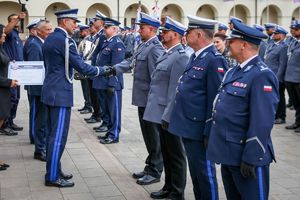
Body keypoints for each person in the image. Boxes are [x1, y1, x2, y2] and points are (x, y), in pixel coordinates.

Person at [207, 19, 279, 200]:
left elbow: (262, 121)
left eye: (232, 41)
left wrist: (251, 157)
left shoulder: (262, 75)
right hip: (228, 152)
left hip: (246, 157)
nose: (228, 44)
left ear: (244, 45)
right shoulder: (234, 71)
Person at [41, 8, 112, 187]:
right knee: (58, 137)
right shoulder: (66, 41)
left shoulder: (50, 38)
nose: (76, 25)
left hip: (50, 90)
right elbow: (83, 68)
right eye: (74, 22)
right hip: (60, 93)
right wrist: (104, 70)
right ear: (65, 22)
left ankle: (55, 170)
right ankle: (52, 176)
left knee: (52, 134)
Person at [168, 15, 228, 200]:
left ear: (199, 34)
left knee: (205, 174)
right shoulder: (196, 56)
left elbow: (216, 100)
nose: (185, 35)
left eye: (188, 32)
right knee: (195, 174)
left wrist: (209, 132)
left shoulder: (214, 60)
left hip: (200, 129)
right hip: (189, 126)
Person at [113, 12, 165, 185]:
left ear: (152, 29)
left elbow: (156, 79)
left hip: (150, 102)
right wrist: (111, 69)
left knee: (154, 137)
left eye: (142, 28)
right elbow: (130, 63)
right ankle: (150, 165)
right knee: (147, 136)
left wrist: (153, 103)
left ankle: (156, 170)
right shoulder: (143, 45)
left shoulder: (155, 48)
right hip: (142, 100)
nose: (139, 30)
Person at [143, 16, 189, 200]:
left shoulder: (181, 56)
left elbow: (174, 91)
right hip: (160, 113)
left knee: (176, 155)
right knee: (167, 154)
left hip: (169, 115)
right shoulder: (167, 52)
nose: (162, 34)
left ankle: (177, 193)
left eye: (165, 32)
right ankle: (168, 187)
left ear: (175, 35)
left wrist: (168, 116)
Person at [23, 19, 53, 161]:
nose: (50, 32)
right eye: (47, 30)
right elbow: (35, 68)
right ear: (37, 31)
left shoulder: (39, 43)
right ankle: (38, 148)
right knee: (39, 119)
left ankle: (39, 145)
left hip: (39, 87)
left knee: (41, 118)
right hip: (37, 88)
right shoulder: (35, 45)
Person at [94, 17, 125, 144]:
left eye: (107, 27)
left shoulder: (117, 43)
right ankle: (109, 132)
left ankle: (114, 135)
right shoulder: (108, 42)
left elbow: (116, 67)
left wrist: (112, 84)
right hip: (104, 83)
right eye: (105, 27)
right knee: (107, 109)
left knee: (114, 111)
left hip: (112, 84)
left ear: (114, 29)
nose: (104, 29)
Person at [2, 12, 26, 134]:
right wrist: (17, 19)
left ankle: (11, 121)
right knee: (11, 98)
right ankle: (4, 124)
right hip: (10, 71)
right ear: (10, 21)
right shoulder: (9, 32)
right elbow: (6, 30)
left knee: (16, 98)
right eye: (14, 20)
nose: (17, 22)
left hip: (18, 71)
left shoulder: (16, 34)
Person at [0, 24, 18, 169]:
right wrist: (8, 81)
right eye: (2, 33)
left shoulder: (1, 47)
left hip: (3, 92)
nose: (4, 34)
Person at [84, 10, 107, 124]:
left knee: (98, 95)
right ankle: (96, 113)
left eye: (96, 20)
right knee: (93, 94)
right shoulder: (98, 35)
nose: (94, 22)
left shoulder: (103, 35)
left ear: (102, 22)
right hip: (92, 68)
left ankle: (99, 114)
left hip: (97, 70)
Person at [264, 25, 288, 125]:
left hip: (277, 77)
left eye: (276, 33)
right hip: (269, 75)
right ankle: (274, 114)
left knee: (279, 97)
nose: (273, 35)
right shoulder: (272, 44)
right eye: (273, 33)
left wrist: (278, 78)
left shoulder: (283, 47)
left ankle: (281, 116)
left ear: (282, 35)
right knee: (272, 97)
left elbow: (282, 64)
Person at [23, 18, 42, 144]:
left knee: (36, 111)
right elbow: (34, 67)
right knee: (35, 112)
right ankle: (34, 137)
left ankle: (35, 136)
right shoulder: (34, 44)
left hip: (35, 84)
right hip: (35, 85)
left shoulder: (35, 42)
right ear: (33, 30)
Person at [285, 20, 300, 133]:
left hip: (298, 78)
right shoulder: (294, 42)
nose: (293, 31)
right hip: (290, 78)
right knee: (296, 103)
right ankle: (298, 122)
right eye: (293, 29)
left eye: (296, 29)